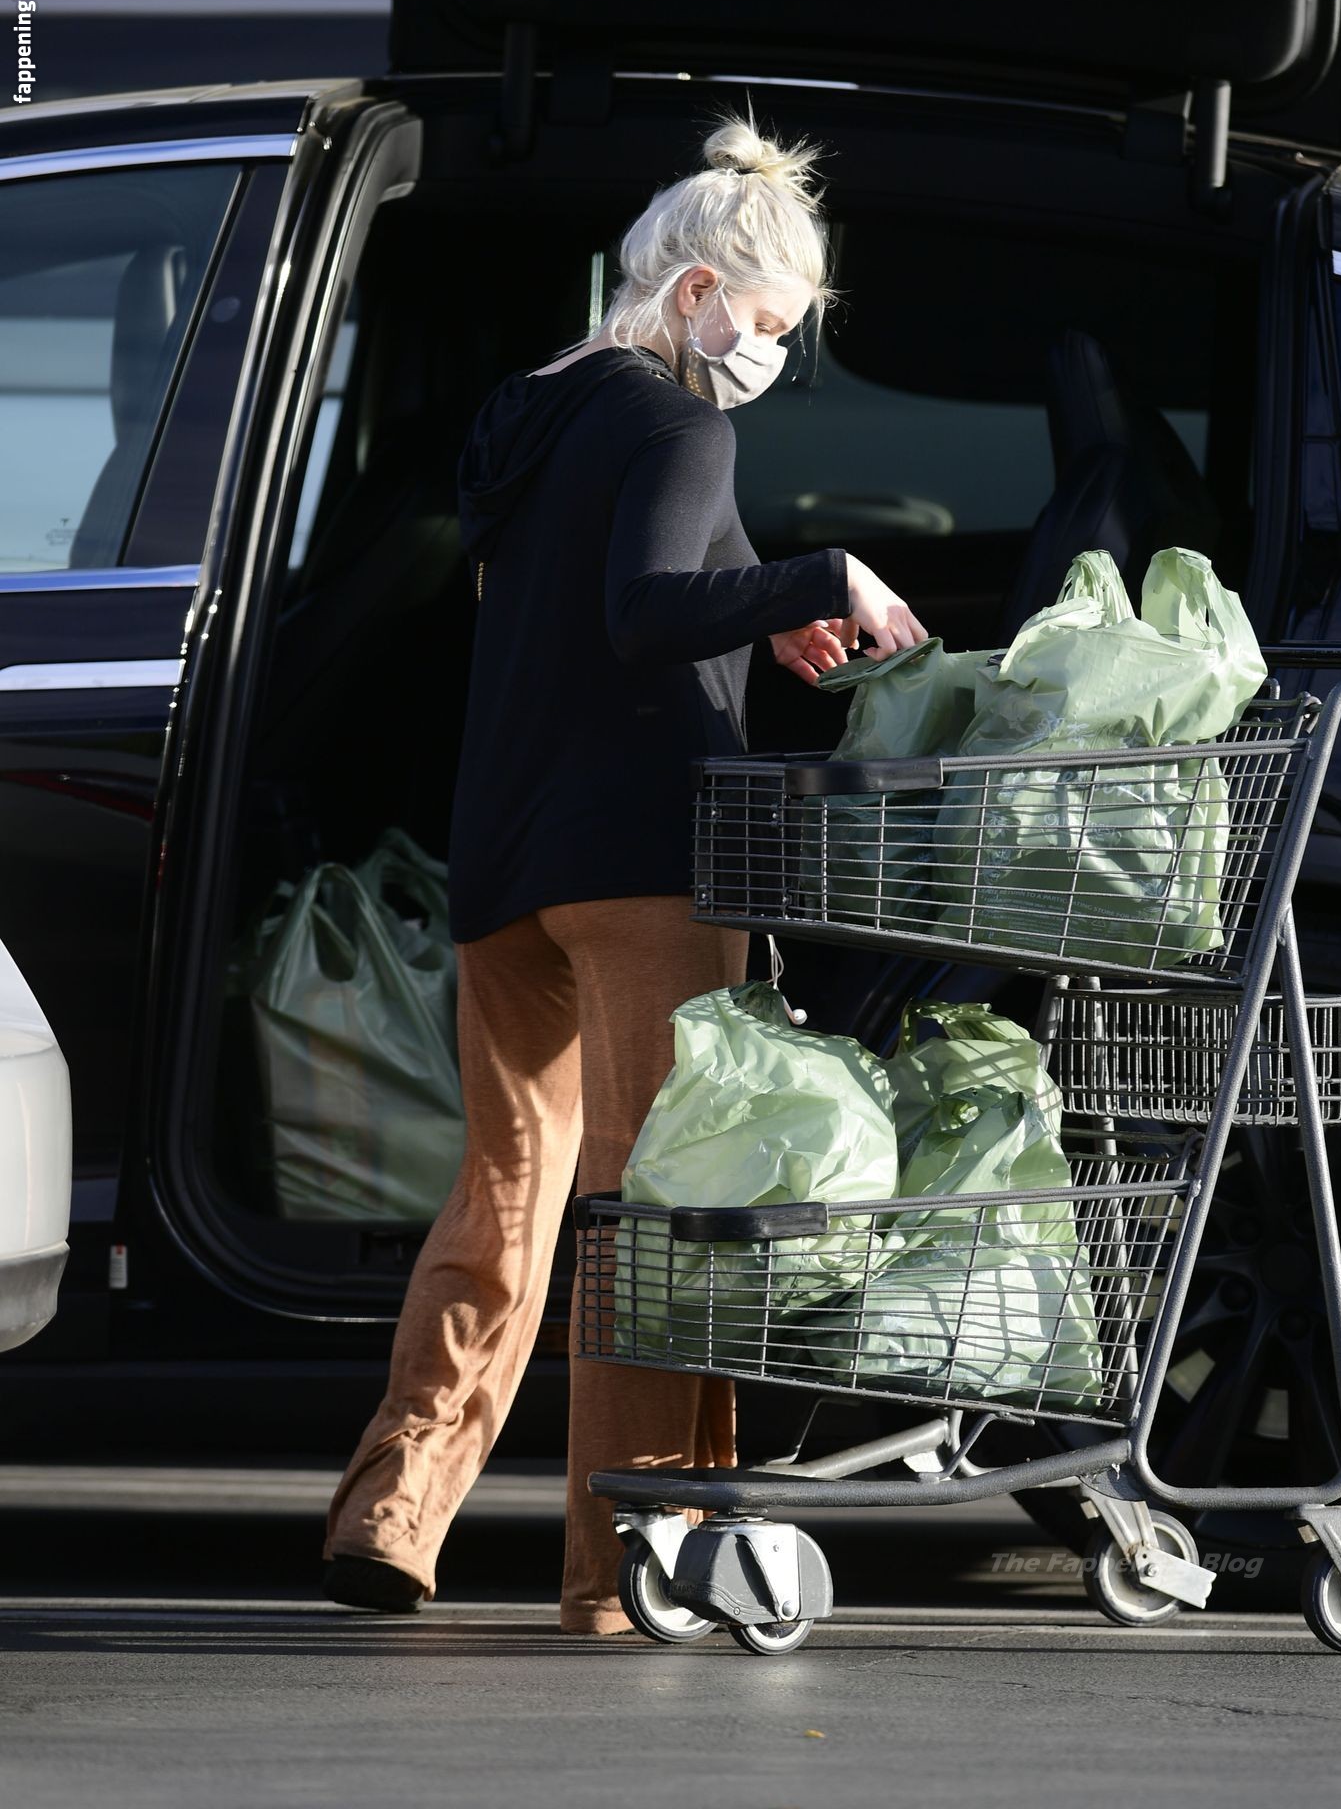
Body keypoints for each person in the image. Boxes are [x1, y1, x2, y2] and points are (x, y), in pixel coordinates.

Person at [321, 110, 927, 1633]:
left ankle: (394, 1508)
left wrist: (761, 617)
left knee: (503, 1195)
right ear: (696, 290)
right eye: (766, 324)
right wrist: (827, 574)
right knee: (656, 1212)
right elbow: (646, 606)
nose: (769, 355)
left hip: (505, 861)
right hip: (640, 865)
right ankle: (627, 1564)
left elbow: (594, 602)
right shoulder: (679, 422)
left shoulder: (532, 411)